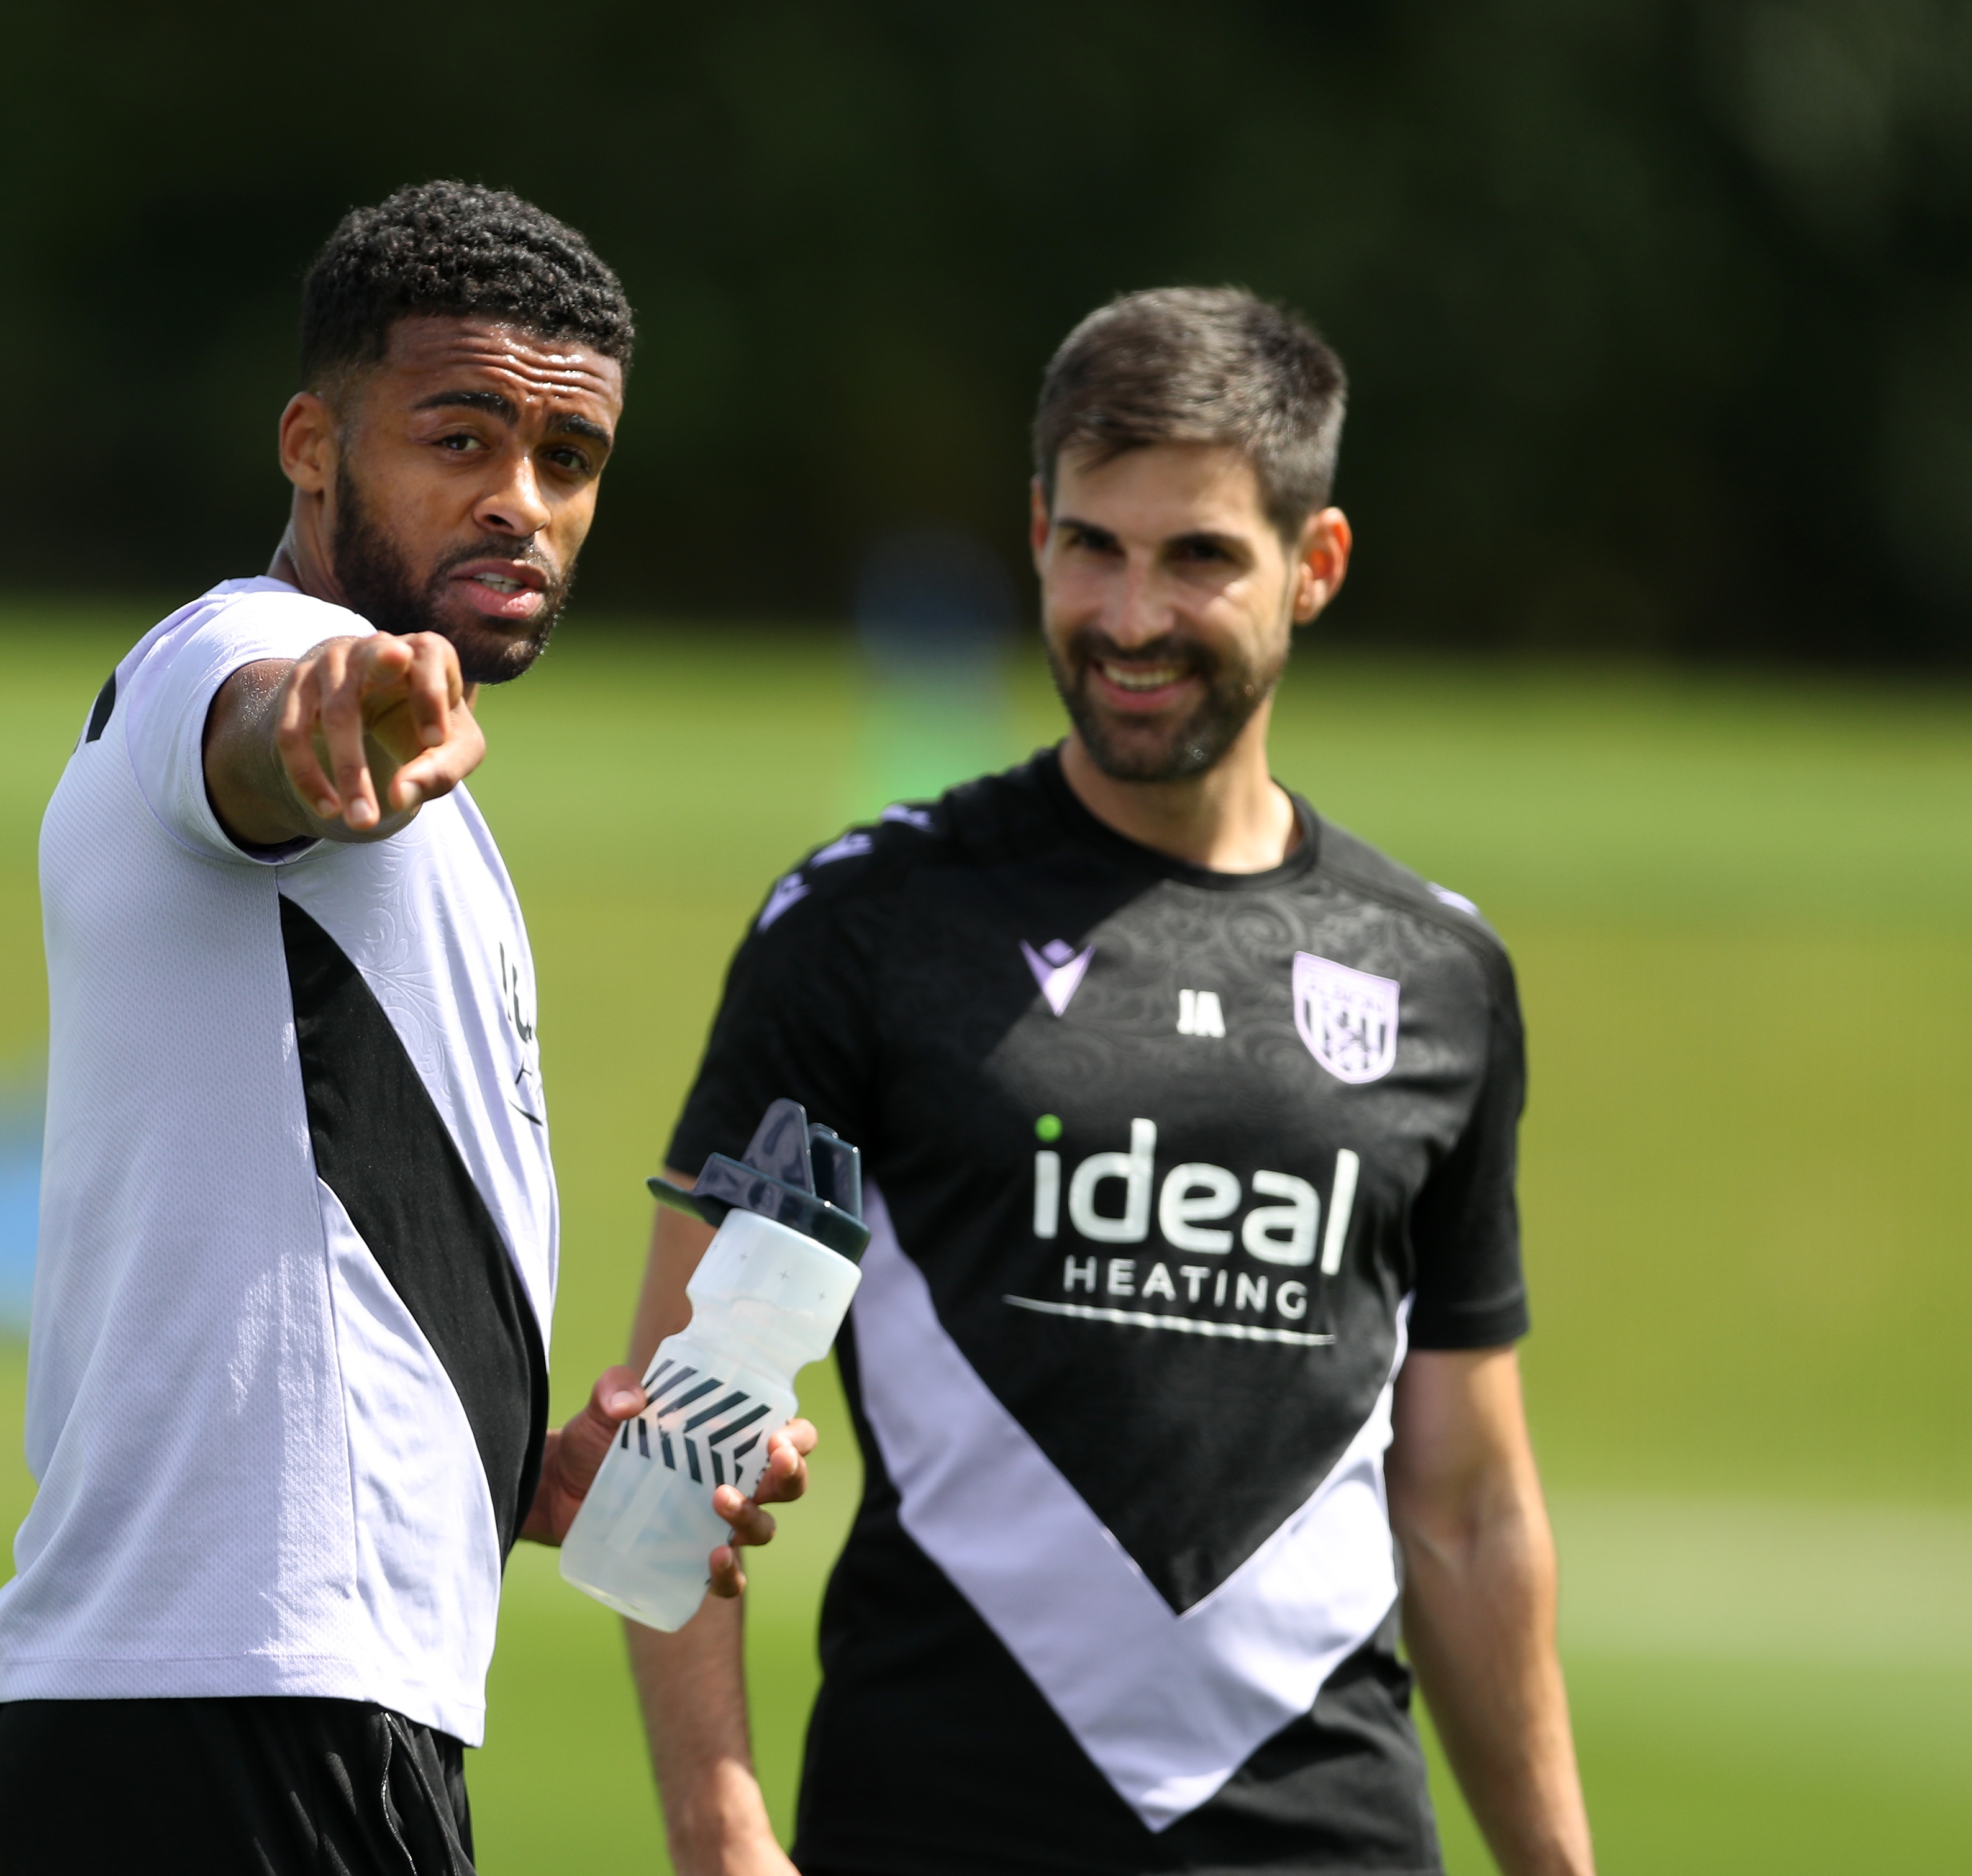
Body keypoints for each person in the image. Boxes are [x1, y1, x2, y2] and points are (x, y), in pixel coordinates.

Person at [624, 288, 1594, 1875]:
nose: (1131, 613)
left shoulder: (1437, 975)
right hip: (937, 1820)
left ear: (1317, 564)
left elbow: (1470, 1508)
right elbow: (685, 1412)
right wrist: (722, 1837)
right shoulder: (866, 932)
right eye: (1094, 546)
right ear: (1035, 533)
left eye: (1199, 556)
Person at [0, 181, 805, 1876]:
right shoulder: (253, 651)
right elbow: (250, 732)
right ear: (311, 445)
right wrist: (322, 720)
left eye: (570, 459)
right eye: (460, 437)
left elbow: (330, 1248)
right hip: (244, 1715)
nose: (521, 502)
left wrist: (529, 1473)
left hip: (203, 1705)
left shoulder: (439, 828)